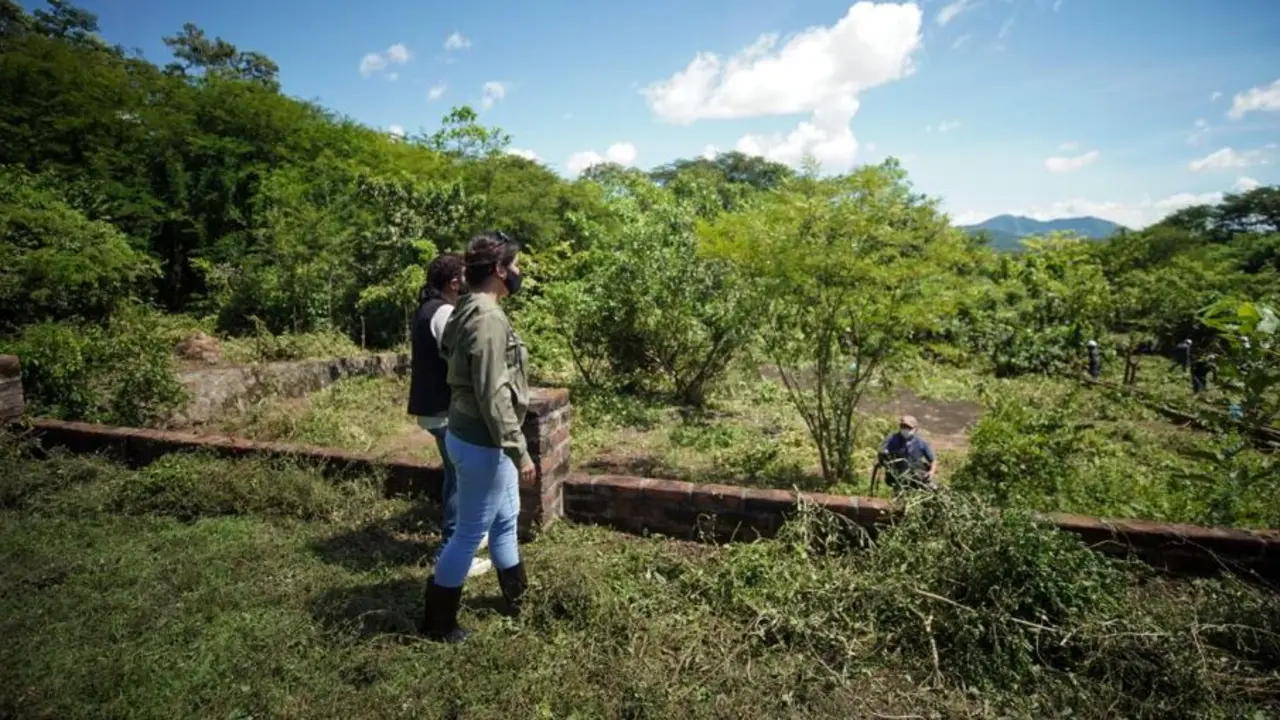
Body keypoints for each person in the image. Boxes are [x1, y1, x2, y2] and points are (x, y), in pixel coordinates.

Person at [420, 231, 535, 644]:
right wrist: (518, 450)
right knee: (470, 532)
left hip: (473, 435)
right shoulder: (487, 316)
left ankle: (519, 599)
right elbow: (492, 392)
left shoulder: (467, 305)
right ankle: (438, 624)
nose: (519, 272)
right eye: (516, 265)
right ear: (501, 270)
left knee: (505, 520)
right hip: (483, 440)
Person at [407, 253, 491, 579]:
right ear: (455, 282)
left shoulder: (429, 308)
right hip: (444, 411)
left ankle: (464, 538)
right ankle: (452, 552)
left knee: (457, 475)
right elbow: (461, 359)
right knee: (461, 479)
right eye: (467, 276)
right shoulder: (444, 312)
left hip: (434, 409)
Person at [876, 415, 939, 494]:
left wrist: (931, 472)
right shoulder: (892, 439)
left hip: (916, 474)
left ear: (915, 429)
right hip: (898, 474)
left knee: (933, 488)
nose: (905, 429)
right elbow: (881, 454)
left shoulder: (921, 442)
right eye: (902, 427)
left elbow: (933, 460)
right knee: (900, 494)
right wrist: (884, 455)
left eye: (908, 427)